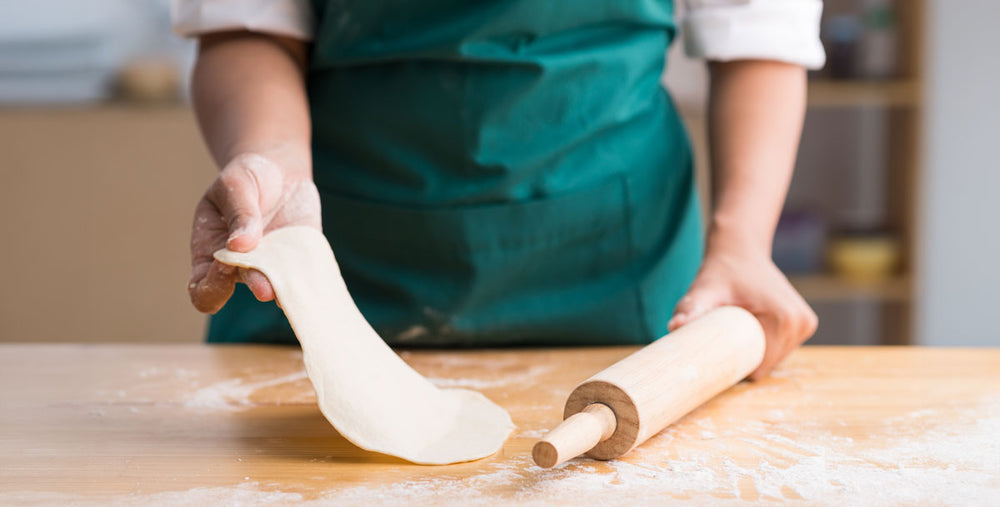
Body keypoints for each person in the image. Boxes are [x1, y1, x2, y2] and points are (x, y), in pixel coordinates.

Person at [175, 0, 822, 378]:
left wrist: (742, 241)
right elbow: (245, 24)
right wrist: (273, 158)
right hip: (330, 258)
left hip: (620, 265)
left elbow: (757, 30)